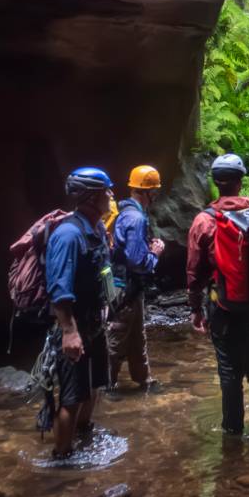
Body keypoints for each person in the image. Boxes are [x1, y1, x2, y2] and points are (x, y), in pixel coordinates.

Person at [187, 154, 249, 435]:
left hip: (223, 304)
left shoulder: (204, 221)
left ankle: (232, 432)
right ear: (240, 182)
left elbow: (194, 271)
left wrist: (196, 309)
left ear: (216, 183)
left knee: (228, 369)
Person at [44, 166, 116, 460]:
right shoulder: (68, 236)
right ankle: (62, 457)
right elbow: (59, 290)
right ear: (91, 197)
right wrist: (69, 332)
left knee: (96, 383)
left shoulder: (96, 229)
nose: (112, 195)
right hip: (74, 326)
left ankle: (85, 434)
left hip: (94, 323)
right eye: (106, 191)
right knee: (72, 397)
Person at [107, 164, 165, 392]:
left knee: (136, 334)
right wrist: (155, 253)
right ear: (147, 192)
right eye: (155, 192)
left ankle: (143, 379)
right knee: (117, 335)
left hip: (128, 287)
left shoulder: (126, 214)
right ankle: (106, 387)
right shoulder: (136, 219)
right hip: (126, 287)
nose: (156, 196)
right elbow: (137, 262)